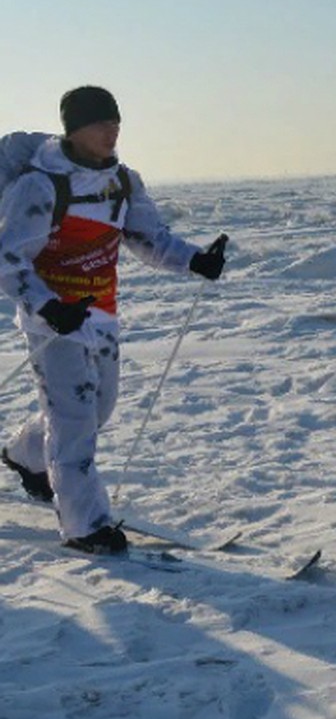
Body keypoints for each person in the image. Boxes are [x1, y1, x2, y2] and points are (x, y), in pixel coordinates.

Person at [0, 86, 227, 554]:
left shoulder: (123, 183)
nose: (112, 130)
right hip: (52, 324)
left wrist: (194, 260)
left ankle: (25, 454)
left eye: (116, 122)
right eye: (101, 123)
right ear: (75, 129)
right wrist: (47, 307)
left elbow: (149, 237)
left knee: (97, 409)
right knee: (75, 418)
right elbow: (8, 258)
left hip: (99, 315)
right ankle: (85, 525)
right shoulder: (41, 185)